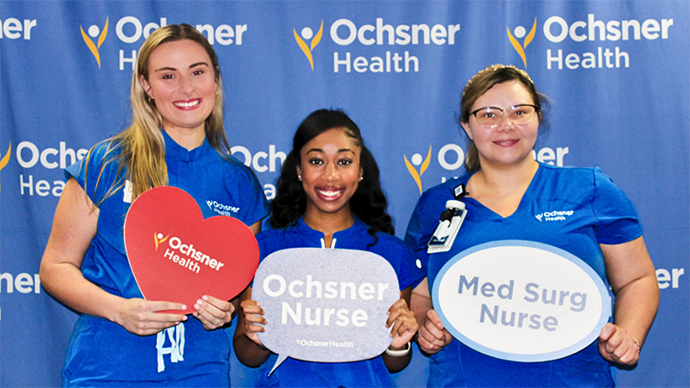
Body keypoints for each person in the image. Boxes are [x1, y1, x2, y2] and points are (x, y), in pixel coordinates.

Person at [40, 24, 269, 387]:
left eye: (197, 72)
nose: (186, 88)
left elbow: (238, 287)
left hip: (200, 371)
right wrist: (119, 311)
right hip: (107, 369)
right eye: (168, 76)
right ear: (146, 86)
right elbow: (55, 266)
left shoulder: (240, 184)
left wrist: (223, 311)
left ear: (215, 79)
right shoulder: (108, 162)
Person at [405, 64, 659, 387]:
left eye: (519, 111)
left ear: (538, 117)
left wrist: (629, 337)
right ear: (467, 126)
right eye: (488, 114)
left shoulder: (590, 191)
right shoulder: (435, 205)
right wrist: (425, 326)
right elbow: (422, 293)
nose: (506, 125)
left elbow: (636, 278)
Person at [233, 109, 424, 387]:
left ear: (360, 172)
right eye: (316, 161)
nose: (331, 175)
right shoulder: (264, 251)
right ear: (299, 170)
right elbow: (247, 355)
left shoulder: (391, 255)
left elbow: (394, 363)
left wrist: (398, 344)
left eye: (344, 161)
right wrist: (259, 338)